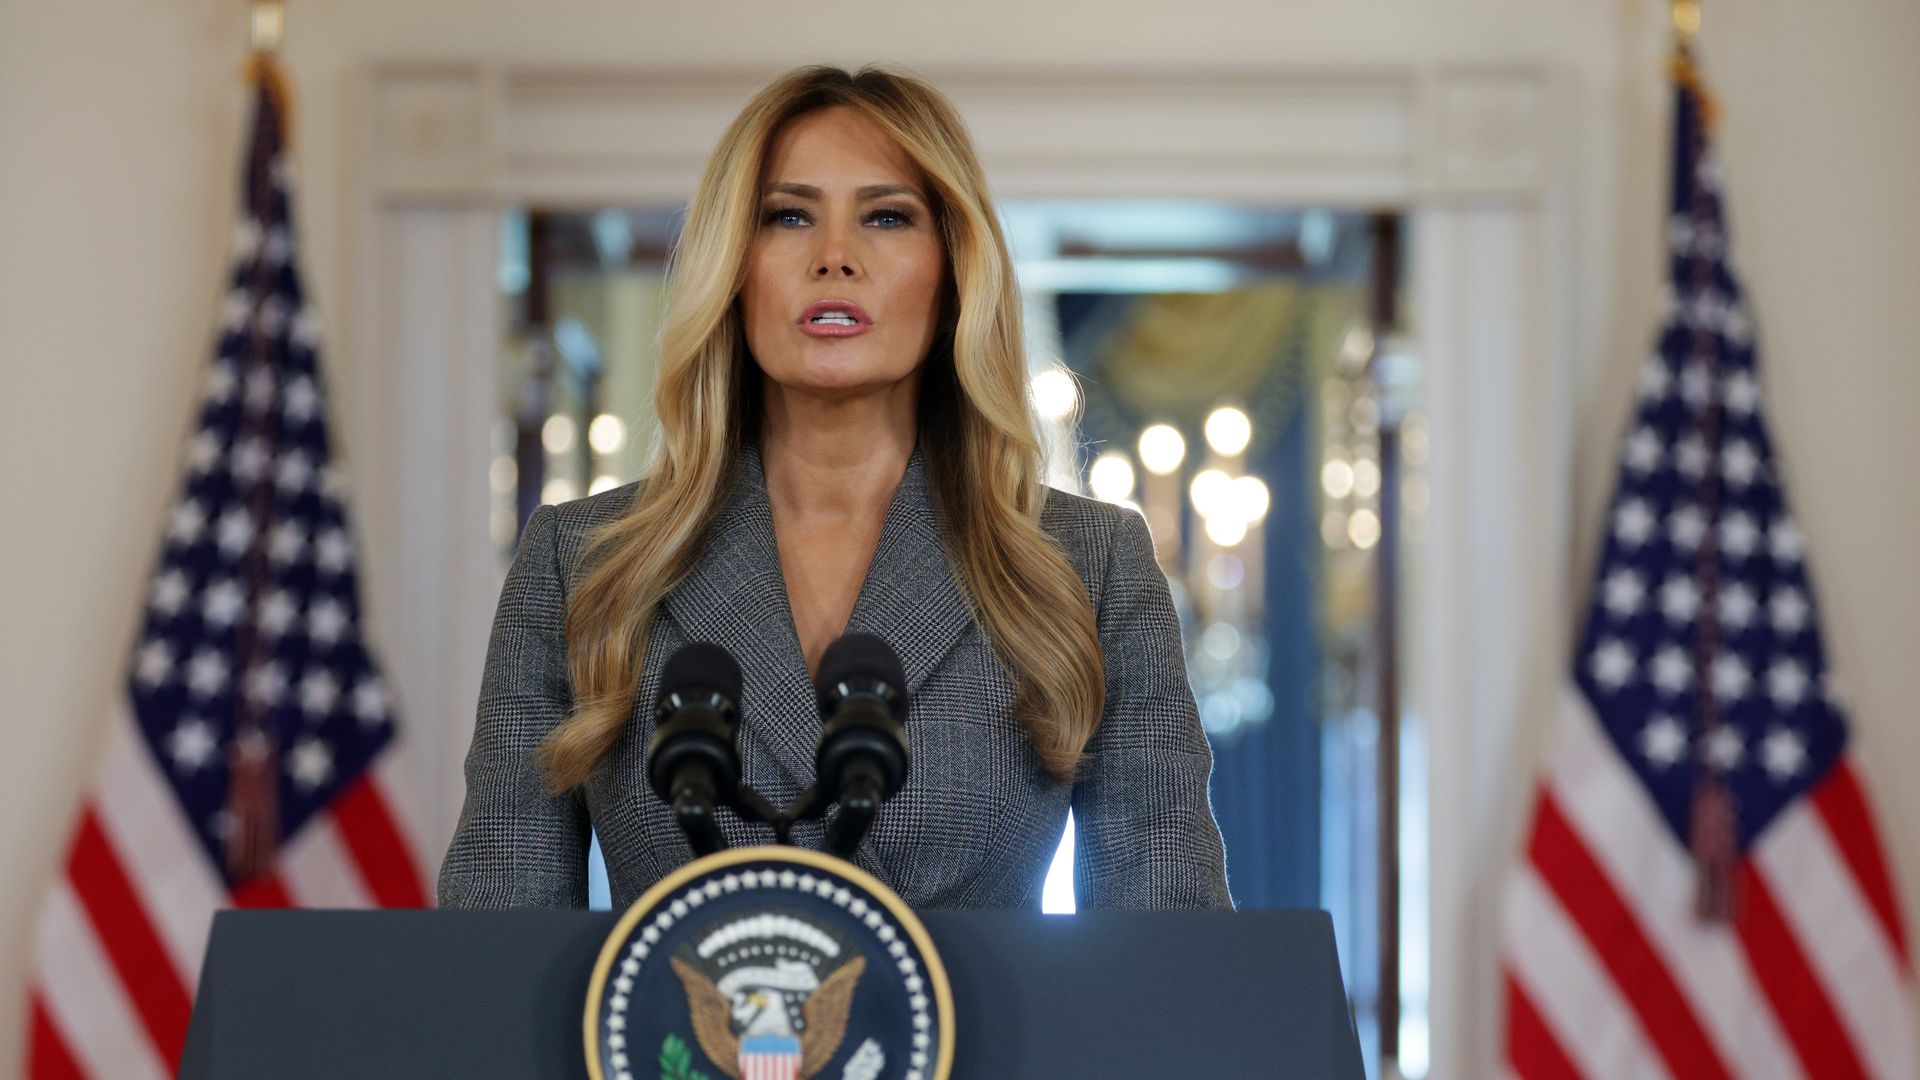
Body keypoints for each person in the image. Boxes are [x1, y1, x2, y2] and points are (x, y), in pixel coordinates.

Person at [437, 64, 1231, 911]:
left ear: (955, 270)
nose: (835, 258)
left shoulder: (1089, 565)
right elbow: (495, 954)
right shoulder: (582, 562)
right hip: (676, 1045)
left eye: (887, 217)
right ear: (735, 269)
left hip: (987, 1047)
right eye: (788, 217)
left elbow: (1171, 947)